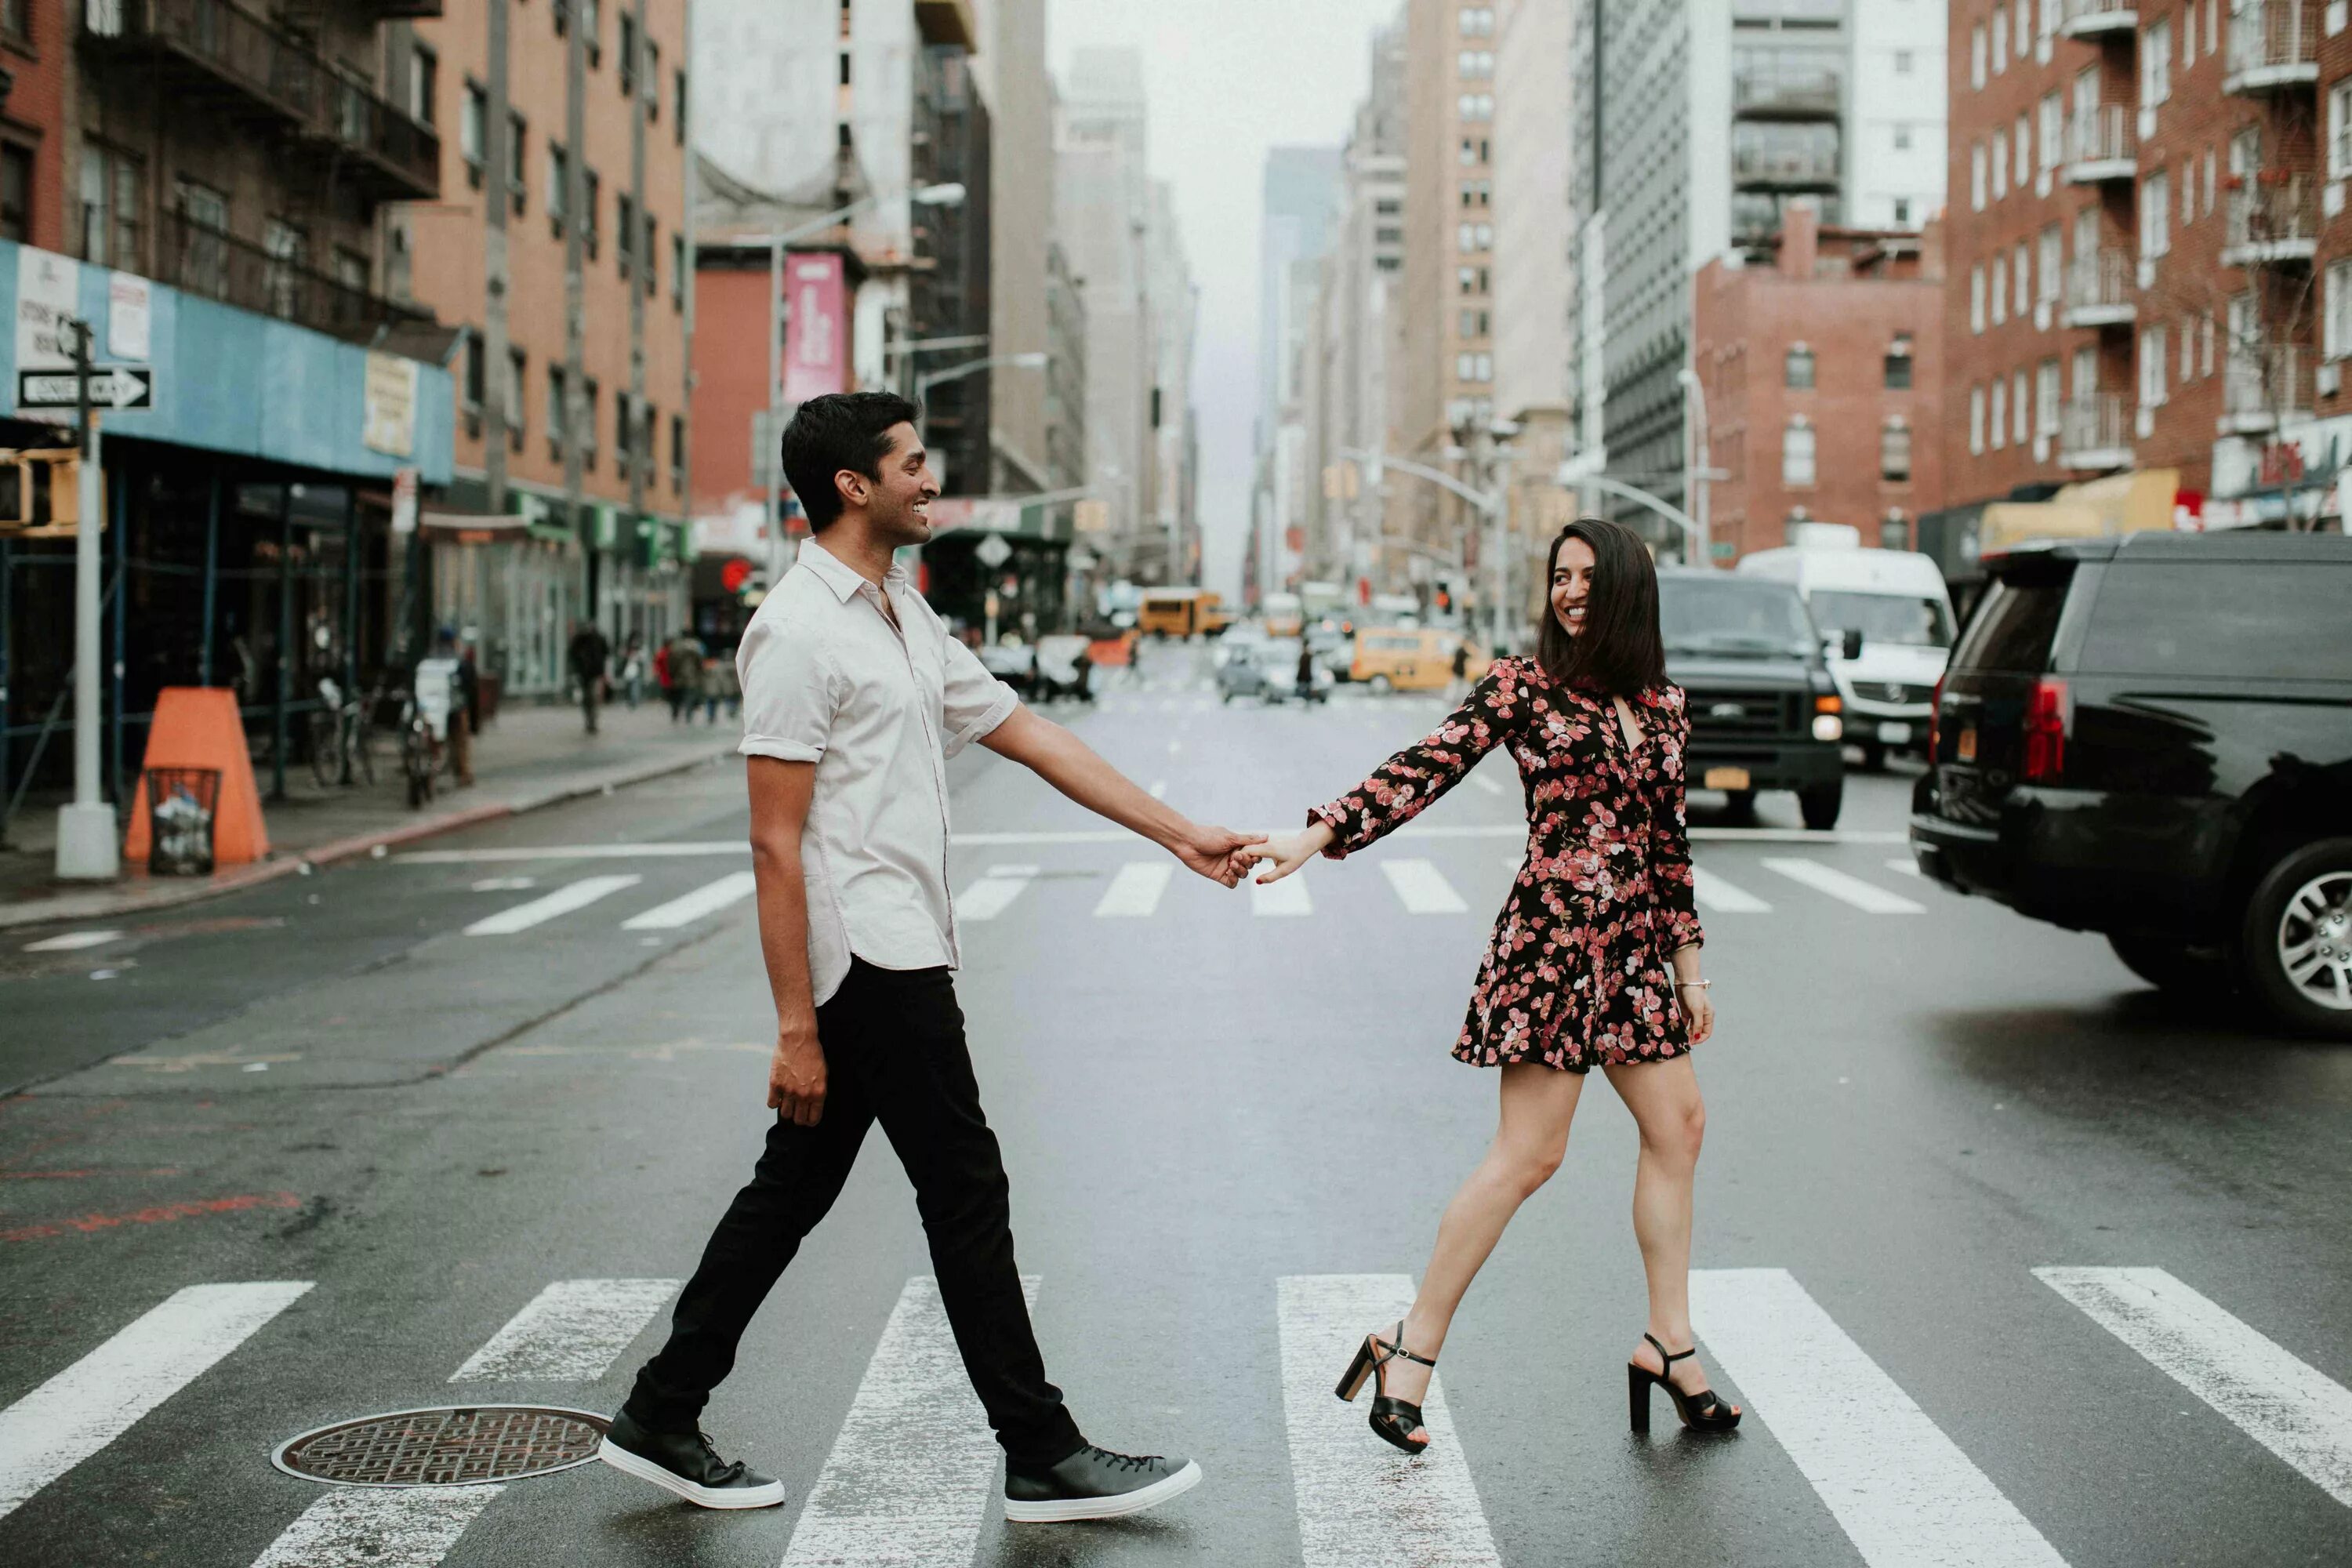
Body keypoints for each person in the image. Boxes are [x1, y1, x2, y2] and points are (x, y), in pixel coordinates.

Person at [601, 391, 1263, 1521]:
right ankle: (1040, 1447)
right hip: (868, 958)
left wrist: (1179, 830)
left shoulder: (900, 613)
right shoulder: (798, 631)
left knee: (793, 1188)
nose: (928, 481)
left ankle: (664, 1406)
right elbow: (773, 841)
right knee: (965, 1187)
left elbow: (1031, 732)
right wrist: (798, 1025)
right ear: (853, 486)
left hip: (901, 944)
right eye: (911, 464)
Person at [1248, 517, 1741, 1457]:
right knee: (1529, 1155)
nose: (1570, 593)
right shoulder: (1524, 686)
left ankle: (1669, 1341)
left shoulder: (1667, 705)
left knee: (1679, 1126)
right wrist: (1316, 834)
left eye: (1590, 578)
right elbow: (1425, 767)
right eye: (1560, 576)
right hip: (1554, 944)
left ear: (1629, 589)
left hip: (1639, 951)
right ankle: (1410, 1343)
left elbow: (1671, 847)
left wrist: (1688, 969)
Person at [568, 619, 611, 735]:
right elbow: (606, 653)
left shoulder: (592, 639)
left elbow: (606, 653)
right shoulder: (589, 639)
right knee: (590, 696)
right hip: (589, 673)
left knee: (590, 696)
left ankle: (591, 720)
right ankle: (591, 720)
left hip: (591, 673)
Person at [663, 629, 706, 724]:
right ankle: (688, 716)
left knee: (676, 697)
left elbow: (671, 662)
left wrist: (672, 673)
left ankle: (675, 714)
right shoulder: (696, 646)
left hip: (678, 677)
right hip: (692, 677)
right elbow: (700, 662)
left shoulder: (675, 647)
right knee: (689, 697)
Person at [619, 633, 647, 710]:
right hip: (628, 672)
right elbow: (622, 655)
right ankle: (630, 701)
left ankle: (633, 702)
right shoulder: (627, 649)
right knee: (629, 688)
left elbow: (642, 658)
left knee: (634, 688)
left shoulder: (639, 651)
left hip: (635, 672)